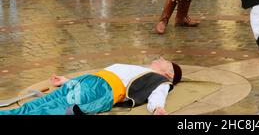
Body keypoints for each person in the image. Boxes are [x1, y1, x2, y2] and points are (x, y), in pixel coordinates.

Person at [0, 57, 182, 115]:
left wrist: (157, 107)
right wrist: (67, 81)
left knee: (51, 108)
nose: (161, 58)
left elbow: (159, 94)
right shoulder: (140, 69)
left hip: (102, 89)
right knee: (41, 103)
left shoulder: (160, 81)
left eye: (165, 61)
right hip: (88, 81)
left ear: (169, 74)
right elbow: (102, 74)